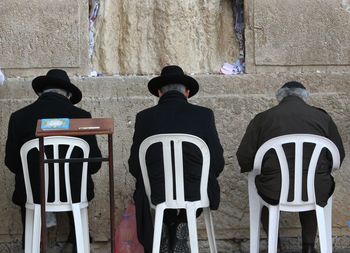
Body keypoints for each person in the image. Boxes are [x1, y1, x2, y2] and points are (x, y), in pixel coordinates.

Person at [236, 81, 345, 253]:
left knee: (261, 191)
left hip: (274, 190)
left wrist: (256, 167)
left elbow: (244, 157)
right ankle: (308, 247)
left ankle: (275, 246)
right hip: (316, 188)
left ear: (280, 98)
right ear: (304, 97)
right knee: (311, 186)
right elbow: (338, 155)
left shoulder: (263, 118)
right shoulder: (323, 118)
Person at [128, 65, 225, 253]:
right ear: (187, 93)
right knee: (200, 184)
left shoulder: (144, 117)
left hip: (158, 192)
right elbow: (217, 163)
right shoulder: (204, 115)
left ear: (159, 93)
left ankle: (165, 226)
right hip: (195, 192)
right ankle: (181, 225)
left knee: (149, 191)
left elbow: (134, 165)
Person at [4, 69, 102, 252]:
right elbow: (95, 163)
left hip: (33, 194)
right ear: (69, 95)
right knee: (77, 189)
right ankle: (77, 243)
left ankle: (33, 245)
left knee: (30, 190)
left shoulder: (19, 117)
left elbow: (11, 162)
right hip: (73, 194)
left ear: (41, 92)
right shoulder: (82, 117)